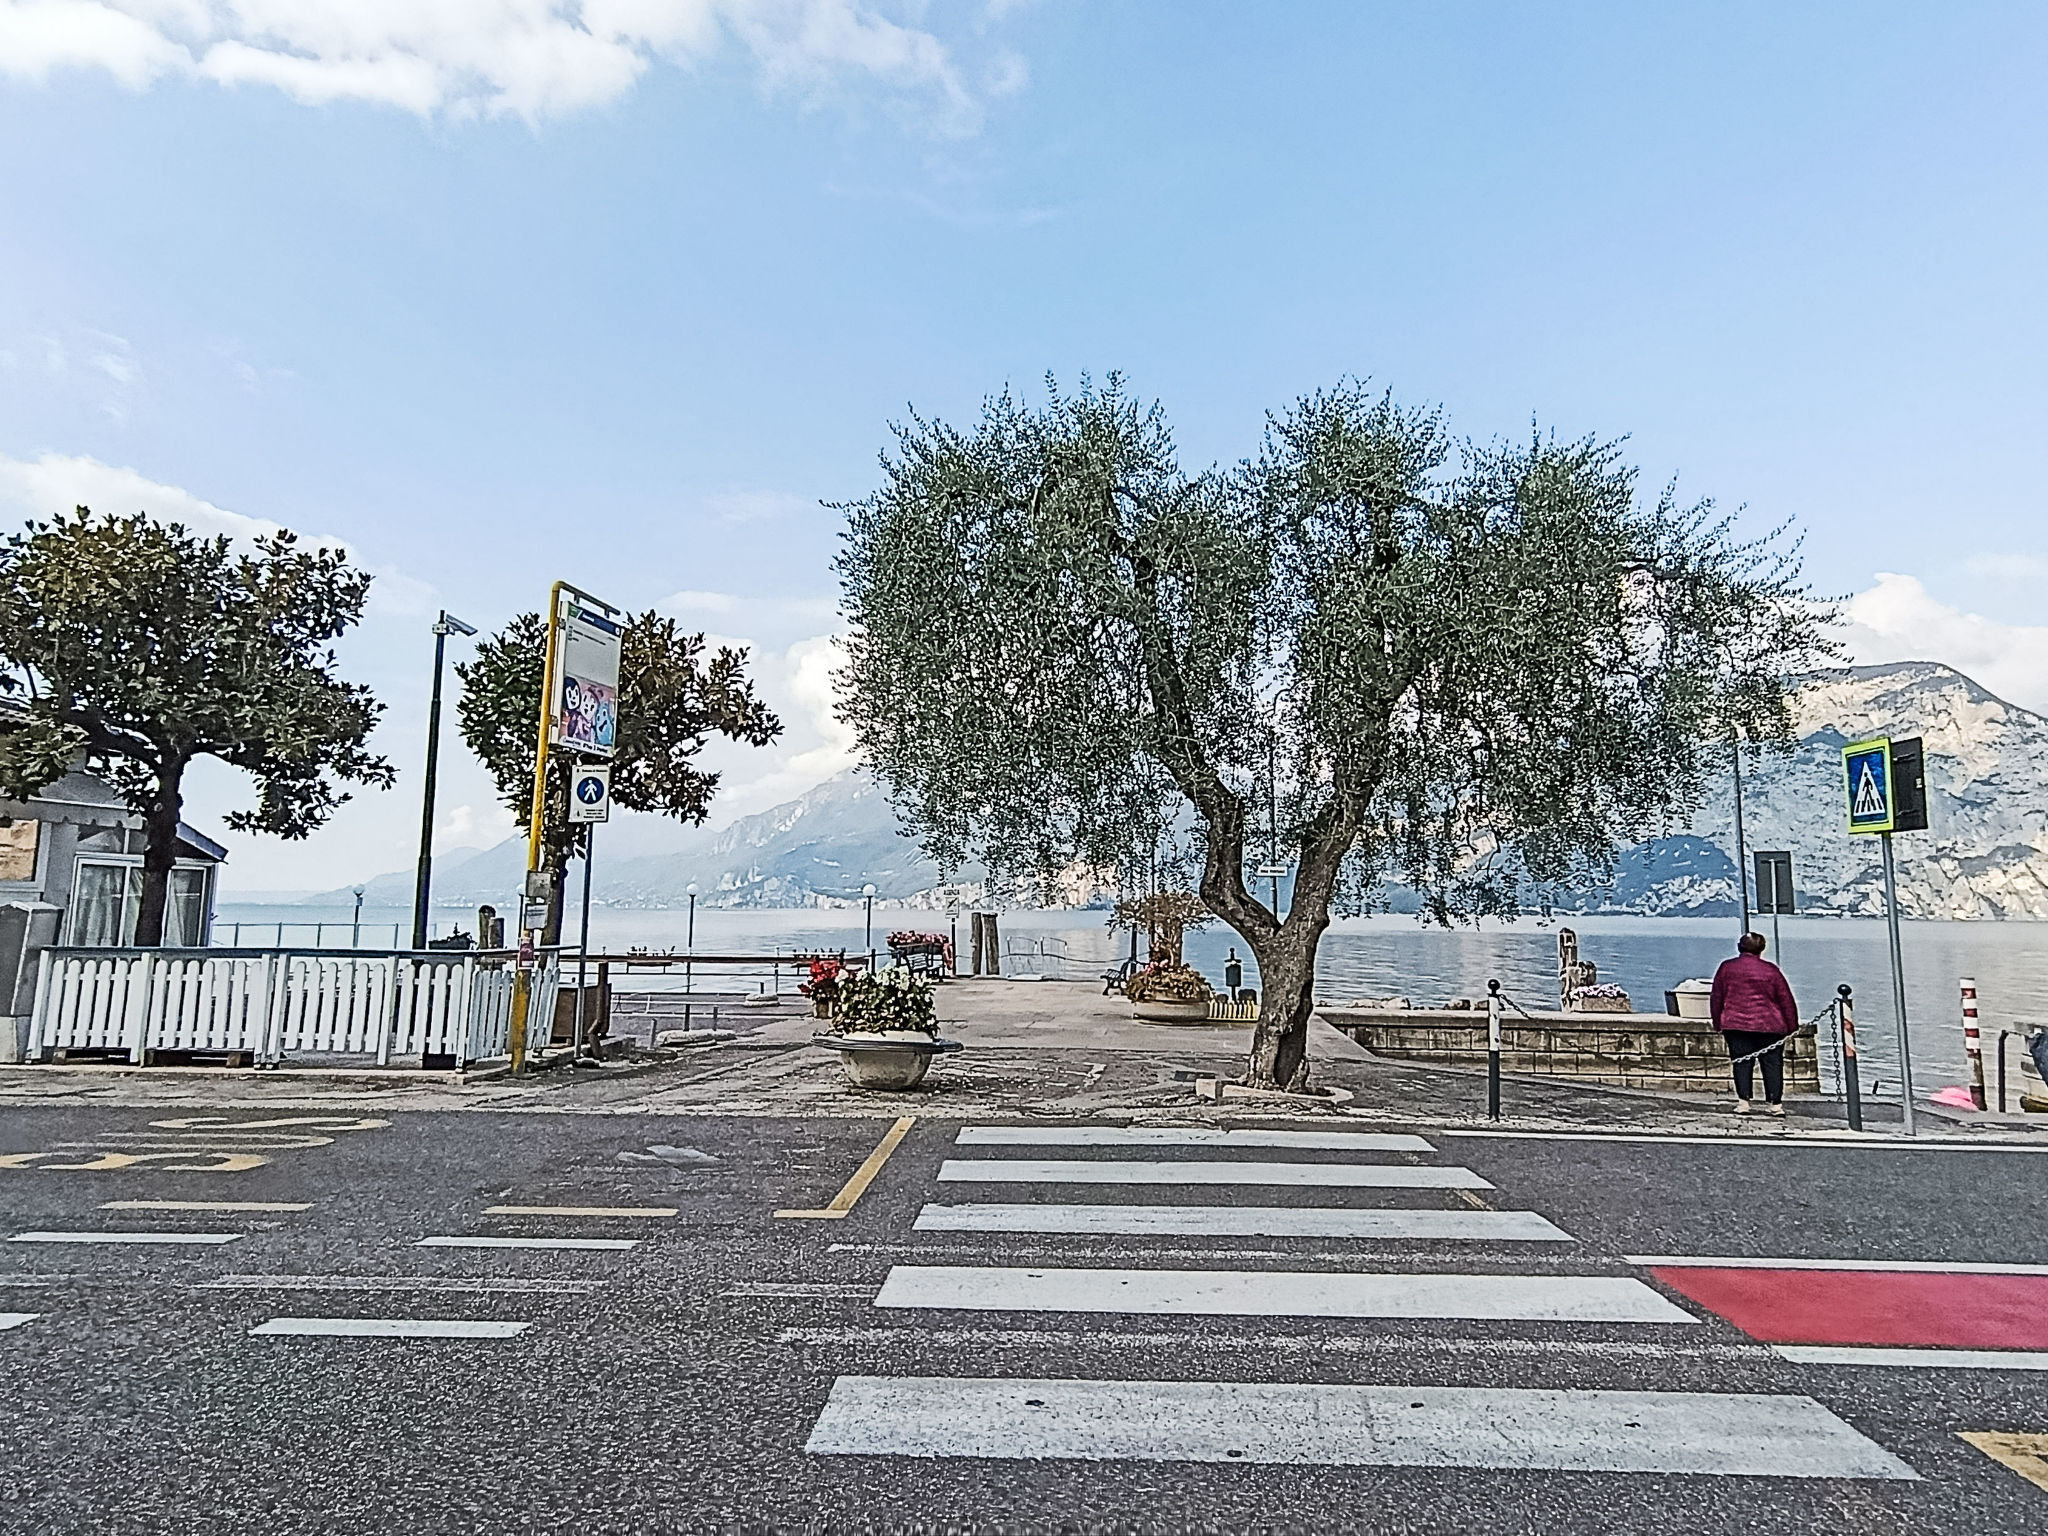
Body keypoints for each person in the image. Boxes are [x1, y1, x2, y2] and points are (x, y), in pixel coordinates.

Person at [1709, 932, 1800, 1116]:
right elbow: (1785, 999)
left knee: (1741, 1062)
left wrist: (1718, 1021)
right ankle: (1775, 1105)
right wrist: (1792, 1025)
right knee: (1773, 1064)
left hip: (1736, 1024)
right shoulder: (1771, 970)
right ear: (1762, 948)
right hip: (1769, 1025)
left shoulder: (1727, 968)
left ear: (1739, 947)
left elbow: (1717, 997)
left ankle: (1744, 1103)